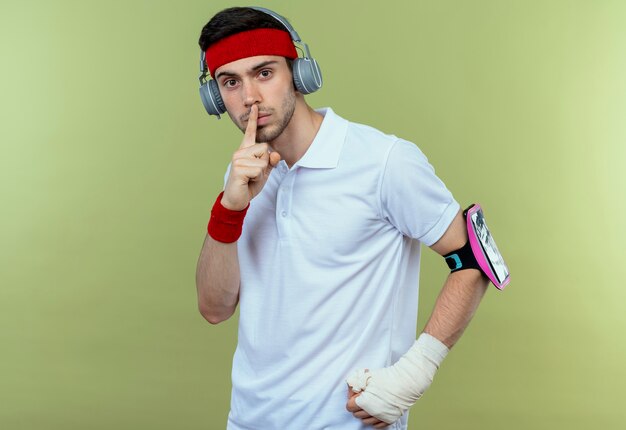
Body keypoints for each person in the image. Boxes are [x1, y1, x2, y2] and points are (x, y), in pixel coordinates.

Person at [195, 6, 490, 430]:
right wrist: (229, 208)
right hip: (248, 420)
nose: (249, 98)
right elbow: (214, 308)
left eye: (264, 73)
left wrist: (415, 371)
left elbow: (474, 260)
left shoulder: (384, 161)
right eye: (230, 82)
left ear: (299, 74)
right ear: (215, 98)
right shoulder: (242, 175)